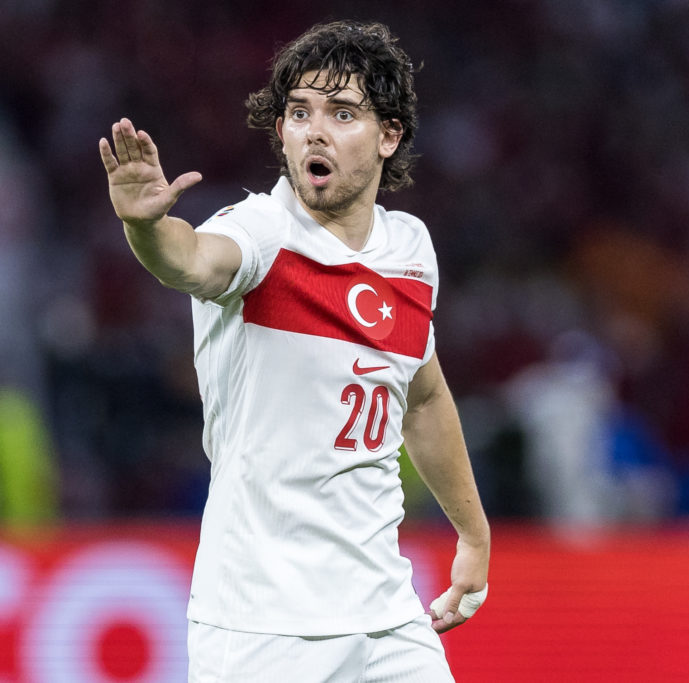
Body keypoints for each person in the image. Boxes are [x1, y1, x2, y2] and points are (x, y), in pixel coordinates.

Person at [99, 20, 489, 682]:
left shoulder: (411, 252)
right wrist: (145, 226)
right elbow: (191, 259)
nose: (315, 129)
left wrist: (474, 535)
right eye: (300, 112)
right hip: (261, 627)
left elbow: (422, 398)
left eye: (342, 113)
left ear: (388, 136)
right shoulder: (259, 232)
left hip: (385, 618)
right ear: (279, 131)